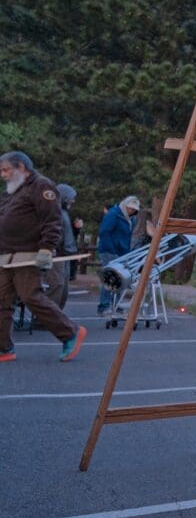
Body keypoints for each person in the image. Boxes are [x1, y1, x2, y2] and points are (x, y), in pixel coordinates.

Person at [0, 151, 88, 363]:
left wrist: (47, 249)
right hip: (5, 256)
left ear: (21, 167)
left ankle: (70, 332)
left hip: (28, 255)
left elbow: (53, 220)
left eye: (5, 170)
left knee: (31, 296)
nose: (2, 175)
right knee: (1, 301)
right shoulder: (12, 191)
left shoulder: (42, 186)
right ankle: (4, 348)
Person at [96, 195, 140, 315]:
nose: (131, 210)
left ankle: (117, 305)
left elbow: (128, 236)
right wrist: (111, 250)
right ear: (124, 205)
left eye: (134, 209)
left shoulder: (132, 219)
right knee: (110, 278)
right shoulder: (113, 214)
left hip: (122, 252)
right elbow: (104, 232)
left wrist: (126, 253)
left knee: (122, 279)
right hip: (109, 251)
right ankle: (104, 306)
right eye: (130, 208)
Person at [46, 183, 78, 309]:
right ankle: (46, 317)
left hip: (66, 254)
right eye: (71, 197)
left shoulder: (64, 212)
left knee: (63, 288)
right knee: (56, 285)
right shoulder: (55, 211)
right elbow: (51, 231)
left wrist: (76, 230)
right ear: (64, 196)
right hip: (57, 254)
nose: (73, 200)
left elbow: (66, 234)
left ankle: (56, 315)